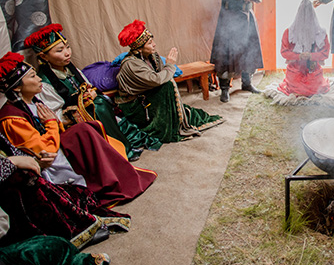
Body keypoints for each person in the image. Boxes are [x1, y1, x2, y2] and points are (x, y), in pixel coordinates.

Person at [0, 51, 157, 207]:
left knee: (89, 127)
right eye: (33, 76)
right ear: (17, 88)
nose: (39, 79)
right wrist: (51, 123)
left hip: (56, 141)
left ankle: (114, 174)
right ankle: (103, 182)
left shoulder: (33, 101)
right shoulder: (12, 118)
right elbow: (45, 149)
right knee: (84, 131)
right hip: (49, 160)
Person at [25, 23, 160, 161]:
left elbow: (89, 86)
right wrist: (82, 105)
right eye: (60, 50)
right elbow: (56, 115)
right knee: (100, 107)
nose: (67, 53)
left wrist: (92, 93)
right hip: (73, 122)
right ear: (44, 56)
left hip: (92, 110)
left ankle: (125, 142)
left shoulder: (71, 70)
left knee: (102, 104)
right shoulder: (44, 83)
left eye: (68, 47)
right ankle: (121, 150)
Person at [0, 134, 130, 251]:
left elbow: (18, 150)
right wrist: (12, 162)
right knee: (23, 179)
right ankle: (68, 230)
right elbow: (39, 144)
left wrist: (34, 159)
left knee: (85, 132)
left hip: (49, 150)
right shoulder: (12, 118)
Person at [116, 20, 223, 144]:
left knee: (192, 114)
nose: (154, 45)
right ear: (139, 48)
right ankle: (165, 128)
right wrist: (170, 65)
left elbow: (163, 75)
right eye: (150, 43)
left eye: (152, 41)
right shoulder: (131, 64)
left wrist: (168, 67)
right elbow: (157, 80)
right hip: (135, 107)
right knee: (167, 85)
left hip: (147, 99)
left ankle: (175, 121)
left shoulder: (151, 56)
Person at [278, 0, 331, 97]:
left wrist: (311, 56)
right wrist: (298, 56)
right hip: (295, 69)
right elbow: (284, 52)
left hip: (313, 69)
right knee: (298, 88)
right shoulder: (289, 32)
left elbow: (325, 53)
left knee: (314, 88)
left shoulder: (321, 33)